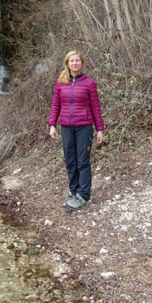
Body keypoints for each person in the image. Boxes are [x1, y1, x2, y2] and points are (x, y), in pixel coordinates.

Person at [48, 50, 104, 210]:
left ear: (82, 63)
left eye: (77, 61)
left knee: (82, 161)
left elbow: (95, 108)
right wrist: (52, 124)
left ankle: (83, 195)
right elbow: (55, 105)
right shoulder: (61, 82)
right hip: (66, 127)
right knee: (70, 161)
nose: (74, 63)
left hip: (84, 127)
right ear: (67, 63)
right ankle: (74, 192)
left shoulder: (89, 83)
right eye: (71, 61)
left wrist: (100, 129)